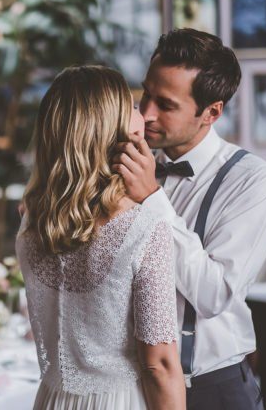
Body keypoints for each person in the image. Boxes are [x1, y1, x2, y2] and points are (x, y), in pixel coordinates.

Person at [112, 28, 266, 410]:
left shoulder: (253, 180)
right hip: (131, 387)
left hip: (211, 389)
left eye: (166, 105)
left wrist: (152, 200)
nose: (146, 113)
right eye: (146, 94)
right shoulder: (124, 164)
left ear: (212, 112)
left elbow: (214, 295)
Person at [16, 65, 185, 410]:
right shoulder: (144, 226)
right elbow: (160, 366)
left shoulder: (32, 218)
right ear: (113, 128)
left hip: (52, 400)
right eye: (133, 107)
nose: (143, 115)